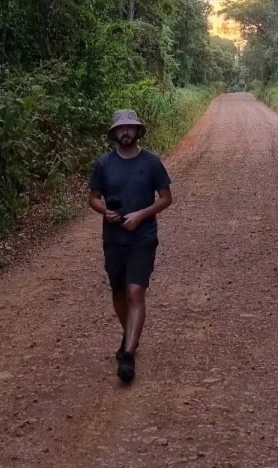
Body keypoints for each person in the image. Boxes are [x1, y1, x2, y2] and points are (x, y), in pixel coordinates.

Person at [88, 109, 173, 383]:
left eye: (130, 127)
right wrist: (105, 212)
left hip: (142, 236)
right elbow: (93, 198)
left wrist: (140, 215)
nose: (125, 132)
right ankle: (130, 335)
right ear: (114, 133)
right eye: (120, 128)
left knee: (135, 291)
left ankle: (127, 355)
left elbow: (166, 198)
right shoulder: (104, 164)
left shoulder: (152, 162)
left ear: (137, 131)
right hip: (114, 238)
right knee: (118, 291)